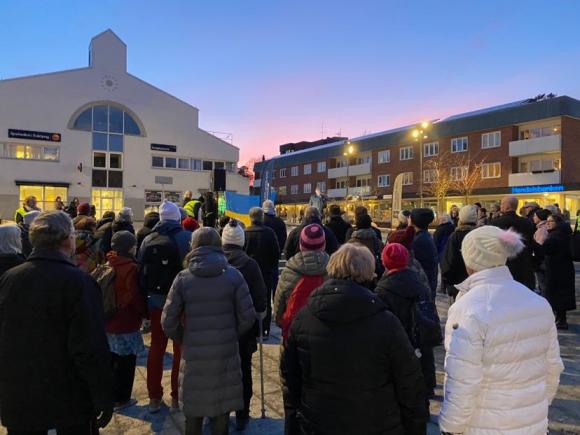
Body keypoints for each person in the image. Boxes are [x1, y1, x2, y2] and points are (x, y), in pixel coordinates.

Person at [282, 244, 428, 435]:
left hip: (319, 422)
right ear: (368, 272)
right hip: (376, 423)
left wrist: (294, 422)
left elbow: (290, 378)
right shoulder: (386, 322)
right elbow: (409, 382)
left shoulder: (304, 317)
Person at [439, 225, 564, 435]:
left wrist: (451, 427)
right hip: (532, 421)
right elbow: (552, 366)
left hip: (484, 425)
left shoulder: (468, 309)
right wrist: (537, 405)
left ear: (470, 258)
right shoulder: (537, 302)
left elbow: (463, 380)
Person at [0, 211, 113, 434]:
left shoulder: (9, 279)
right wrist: (102, 395)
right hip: (69, 401)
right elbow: (90, 348)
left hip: (20, 396)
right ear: (67, 239)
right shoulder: (80, 283)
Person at [162, 228, 257, 435]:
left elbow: (168, 321)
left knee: (193, 414)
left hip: (194, 354)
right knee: (221, 411)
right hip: (225, 354)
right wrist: (230, 334)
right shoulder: (234, 276)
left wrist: (185, 337)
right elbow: (248, 316)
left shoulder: (183, 278)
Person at [139, 200, 192, 413]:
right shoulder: (186, 238)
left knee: (157, 348)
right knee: (180, 349)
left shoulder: (147, 239)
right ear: (177, 218)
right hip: (181, 303)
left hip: (155, 300)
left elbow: (140, 272)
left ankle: (154, 397)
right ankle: (177, 397)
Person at [376, 242, 440, 401]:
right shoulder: (420, 284)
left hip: (396, 349)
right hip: (421, 348)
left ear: (384, 263)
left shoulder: (382, 290)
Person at [222, 219, 267, 430]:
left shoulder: (217, 262)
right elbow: (260, 300)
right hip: (244, 329)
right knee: (243, 371)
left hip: (220, 330)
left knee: (220, 371)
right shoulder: (250, 265)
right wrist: (260, 314)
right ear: (241, 241)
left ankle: (220, 412)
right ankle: (242, 414)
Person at [103, 231, 147, 411]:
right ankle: (122, 399)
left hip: (109, 320)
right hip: (126, 320)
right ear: (129, 248)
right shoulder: (131, 268)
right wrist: (145, 313)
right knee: (127, 362)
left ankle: (111, 395)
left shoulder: (108, 263)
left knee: (112, 359)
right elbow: (134, 296)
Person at [273, 224, 329, 337]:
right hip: (325, 333)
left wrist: (281, 322)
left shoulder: (289, 271)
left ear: (301, 245)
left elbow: (279, 306)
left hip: (295, 332)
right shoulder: (333, 271)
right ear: (324, 245)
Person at [244, 207, 280, 338]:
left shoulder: (245, 232)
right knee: (265, 299)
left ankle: (250, 327)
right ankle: (265, 329)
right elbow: (276, 253)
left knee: (249, 299)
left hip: (248, 272)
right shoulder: (269, 233)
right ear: (262, 217)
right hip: (265, 271)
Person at [491, 196, 536, 290]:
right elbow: (532, 243)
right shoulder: (527, 222)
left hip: (504, 267)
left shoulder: (496, 223)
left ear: (507, 206)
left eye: (502, 204)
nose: (501, 206)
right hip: (524, 266)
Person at [544, 214, 576, 329]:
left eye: (550, 221)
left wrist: (541, 241)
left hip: (557, 268)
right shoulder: (563, 232)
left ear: (557, 222)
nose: (548, 223)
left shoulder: (556, 235)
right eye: (547, 221)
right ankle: (560, 319)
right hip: (564, 267)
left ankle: (561, 320)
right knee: (561, 294)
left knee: (557, 294)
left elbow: (546, 248)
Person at [440, 205, 478, 302]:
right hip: (477, 283)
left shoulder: (456, 236)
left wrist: (449, 284)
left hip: (458, 284)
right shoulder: (480, 235)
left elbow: (448, 262)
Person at [410, 208, 438, 297]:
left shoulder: (419, 240)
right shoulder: (424, 236)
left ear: (414, 221)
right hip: (428, 283)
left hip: (423, 286)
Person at [347, 213, 384, 279]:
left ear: (357, 225)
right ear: (370, 224)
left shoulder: (350, 243)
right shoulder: (377, 242)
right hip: (373, 274)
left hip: (355, 274)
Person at [532, 208, 551, 297]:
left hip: (541, 261)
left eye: (535, 216)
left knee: (543, 283)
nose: (533, 217)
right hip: (544, 259)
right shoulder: (542, 227)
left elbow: (539, 245)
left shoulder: (541, 230)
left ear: (539, 217)